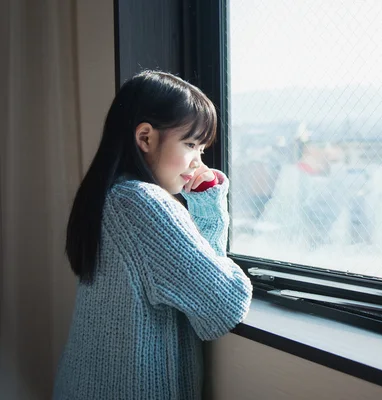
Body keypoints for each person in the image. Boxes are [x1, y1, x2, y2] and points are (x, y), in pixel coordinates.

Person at [54, 71, 252, 399]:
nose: (197, 163)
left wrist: (203, 204)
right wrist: (212, 207)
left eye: (202, 148)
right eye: (190, 144)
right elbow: (223, 303)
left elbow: (196, 284)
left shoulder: (109, 195)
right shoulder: (143, 203)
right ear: (145, 137)